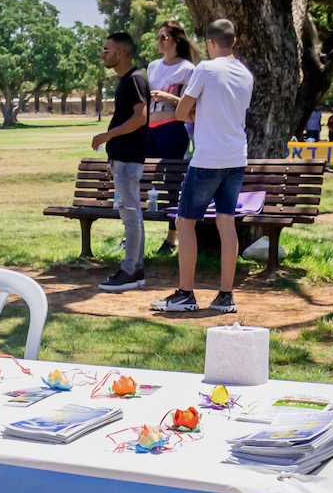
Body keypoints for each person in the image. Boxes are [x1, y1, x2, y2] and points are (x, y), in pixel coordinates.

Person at [150, 18, 252, 315]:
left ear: (210, 43)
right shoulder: (246, 74)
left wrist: (197, 111)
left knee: (185, 222)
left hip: (208, 158)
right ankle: (225, 296)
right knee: (226, 221)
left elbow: (182, 112)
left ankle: (185, 294)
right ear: (233, 41)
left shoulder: (206, 69)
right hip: (236, 157)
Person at [93, 32, 149, 292]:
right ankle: (136, 270)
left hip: (128, 157)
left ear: (122, 53)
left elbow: (140, 118)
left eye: (107, 49)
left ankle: (129, 270)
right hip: (122, 157)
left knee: (130, 214)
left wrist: (108, 135)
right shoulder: (127, 80)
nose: (103, 54)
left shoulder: (134, 79)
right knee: (132, 212)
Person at [145, 19, 200, 255]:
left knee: (172, 185)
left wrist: (169, 99)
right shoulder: (152, 66)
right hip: (149, 129)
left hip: (172, 130)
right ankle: (133, 235)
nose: (159, 41)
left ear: (176, 40)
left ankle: (171, 238)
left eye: (164, 37)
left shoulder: (188, 69)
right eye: (157, 37)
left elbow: (193, 107)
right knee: (143, 180)